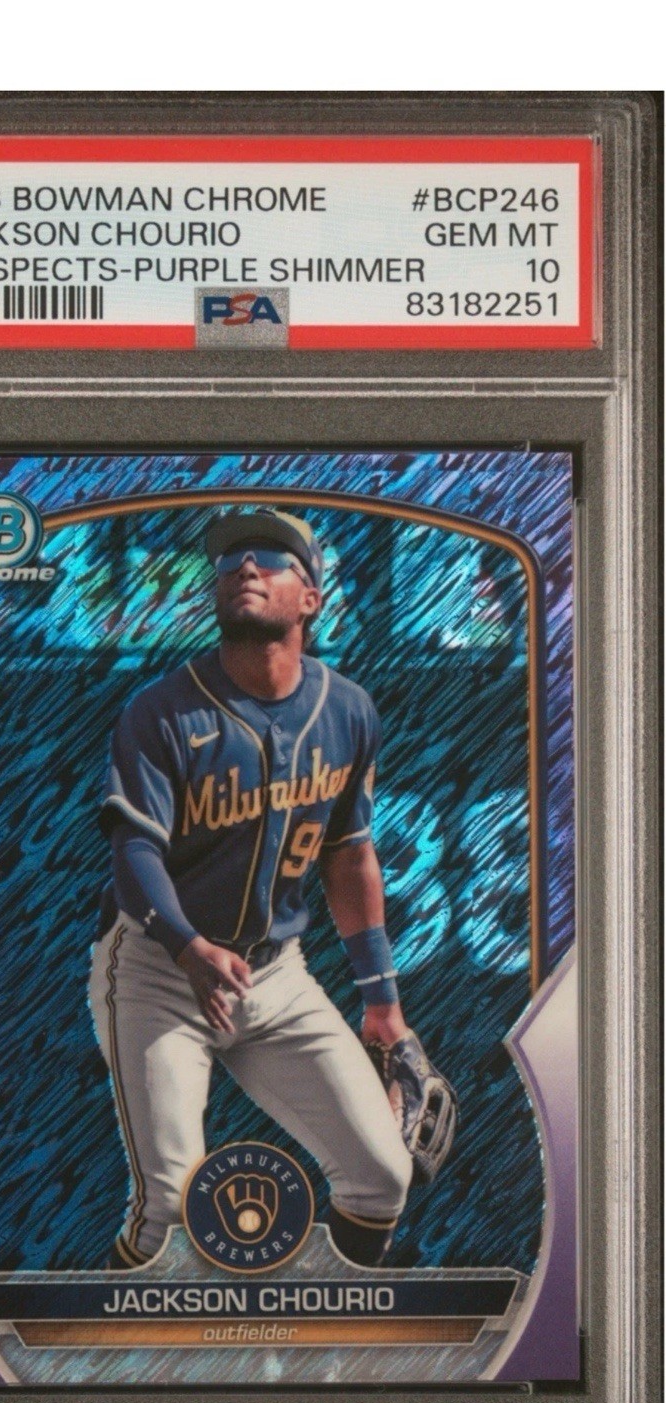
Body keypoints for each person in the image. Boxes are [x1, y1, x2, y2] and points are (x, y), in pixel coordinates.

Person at [89, 508, 415, 1271]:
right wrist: (188, 947)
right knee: (171, 1217)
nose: (244, 567)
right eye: (231, 560)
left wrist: (382, 1002)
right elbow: (133, 851)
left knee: (382, 1178)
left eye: (270, 557)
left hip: (276, 976)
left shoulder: (348, 710)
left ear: (312, 598)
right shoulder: (161, 711)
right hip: (159, 971)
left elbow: (348, 857)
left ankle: (319, 1330)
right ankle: (106, 1345)